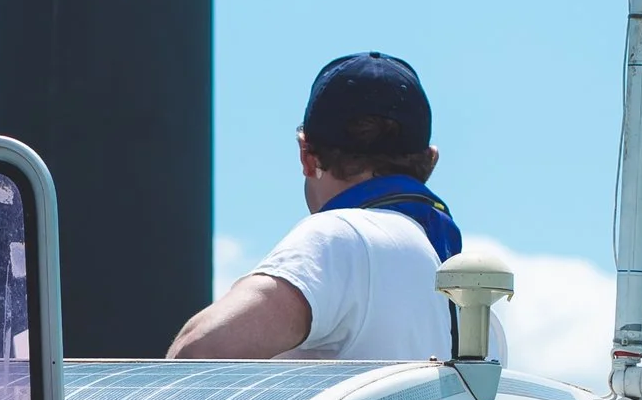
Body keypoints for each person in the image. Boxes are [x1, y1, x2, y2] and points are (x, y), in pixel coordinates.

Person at [168, 53, 463, 361]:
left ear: (307, 156)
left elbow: (197, 350)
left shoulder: (341, 239)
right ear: (430, 161)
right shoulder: (466, 288)